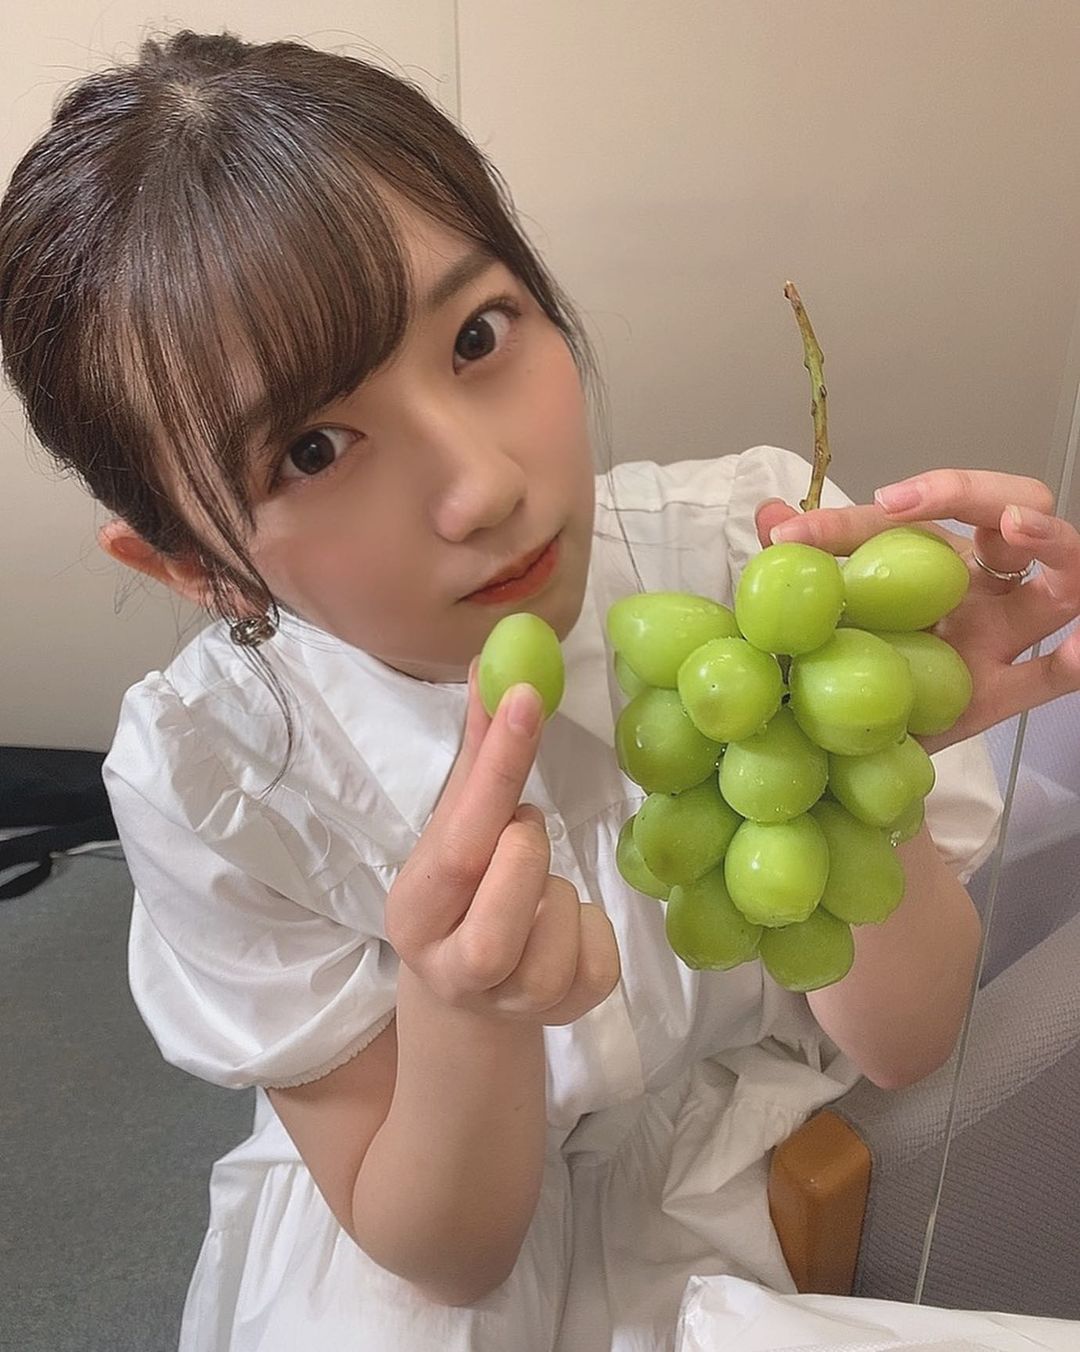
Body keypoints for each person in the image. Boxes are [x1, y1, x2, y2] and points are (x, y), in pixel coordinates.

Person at [2, 27, 1077, 1352]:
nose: (484, 486)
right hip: (434, 1219)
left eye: (478, 334)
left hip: (756, 1153)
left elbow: (906, 1043)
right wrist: (464, 1014)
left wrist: (863, 773)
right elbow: (449, 1261)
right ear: (194, 566)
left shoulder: (748, 562)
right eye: (313, 448)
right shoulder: (215, 784)